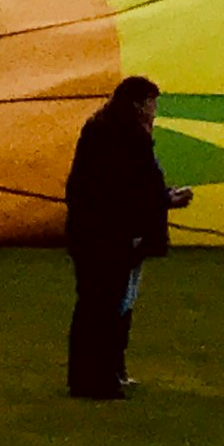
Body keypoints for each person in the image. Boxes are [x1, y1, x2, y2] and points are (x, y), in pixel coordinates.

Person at [64, 77, 192, 400]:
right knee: (106, 306)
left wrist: (161, 197)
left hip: (95, 233)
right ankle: (98, 379)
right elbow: (130, 190)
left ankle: (95, 375)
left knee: (103, 305)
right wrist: (166, 200)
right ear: (138, 104)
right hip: (111, 236)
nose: (154, 111)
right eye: (152, 104)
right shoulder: (125, 137)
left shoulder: (102, 129)